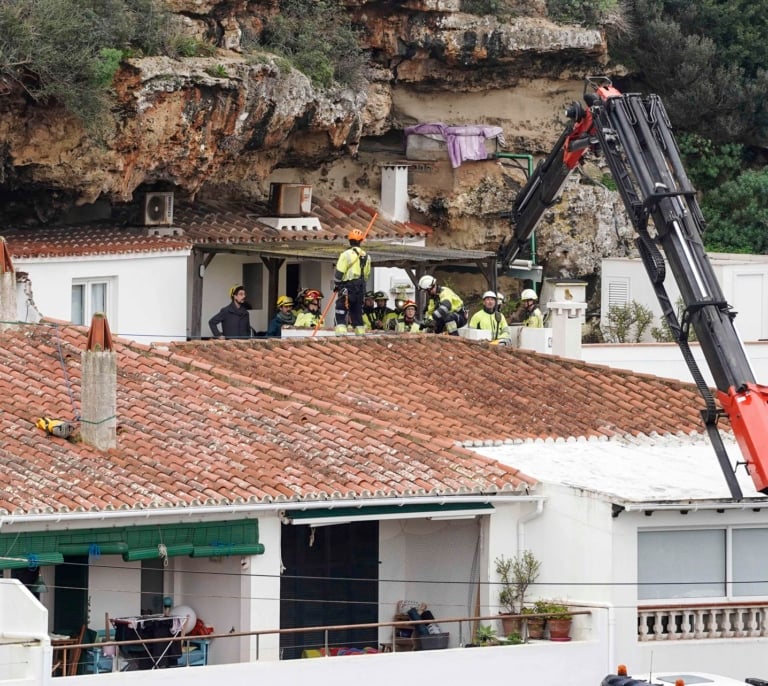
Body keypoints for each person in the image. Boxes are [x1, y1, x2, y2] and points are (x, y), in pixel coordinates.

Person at [333, 228, 371, 335]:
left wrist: (337, 284)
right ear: (360, 241)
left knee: (341, 306)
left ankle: (341, 329)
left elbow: (339, 273)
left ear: (350, 241)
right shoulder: (367, 256)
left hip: (348, 286)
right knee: (357, 308)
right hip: (361, 287)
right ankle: (359, 330)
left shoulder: (345, 254)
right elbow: (367, 274)